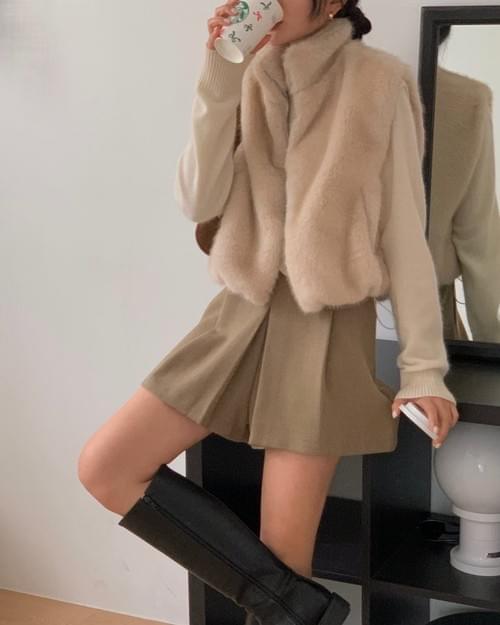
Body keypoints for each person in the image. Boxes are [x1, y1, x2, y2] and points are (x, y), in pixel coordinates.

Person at [77, 3, 460, 625]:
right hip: (237, 315)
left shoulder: (377, 82)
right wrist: (218, 81)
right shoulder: (247, 75)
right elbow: (197, 199)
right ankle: (304, 612)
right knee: (106, 467)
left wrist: (423, 369)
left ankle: (296, 609)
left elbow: (404, 237)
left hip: (326, 328)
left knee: (283, 557)